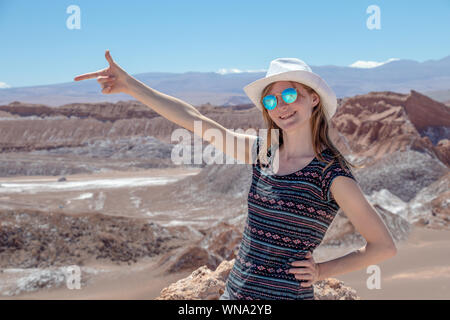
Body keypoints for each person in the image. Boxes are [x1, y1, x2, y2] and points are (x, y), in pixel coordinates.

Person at [74, 51, 397, 300]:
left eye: (289, 95)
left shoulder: (331, 175)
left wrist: (323, 270)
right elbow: (198, 121)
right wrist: (131, 86)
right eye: (271, 100)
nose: (280, 106)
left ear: (313, 98)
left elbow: (383, 247)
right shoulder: (263, 151)